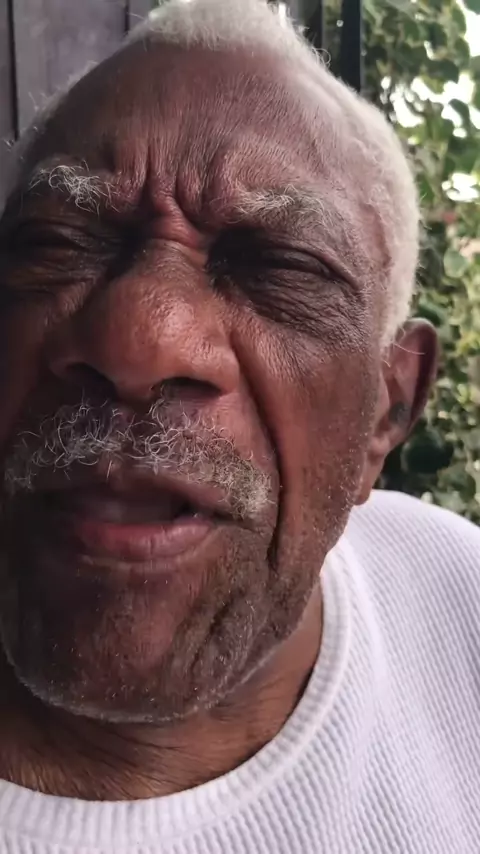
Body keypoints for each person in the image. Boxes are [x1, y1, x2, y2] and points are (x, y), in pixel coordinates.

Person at [0, 0, 478, 850]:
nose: (141, 338)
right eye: (57, 243)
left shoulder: (456, 594)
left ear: (389, 409)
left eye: (279, 267)